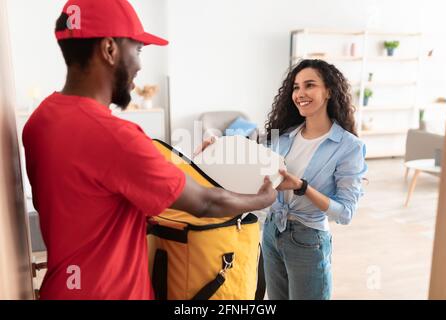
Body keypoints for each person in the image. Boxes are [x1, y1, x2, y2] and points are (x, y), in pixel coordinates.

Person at [22, 0, 276, 300]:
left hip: (61, 288)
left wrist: (193, 164)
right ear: (109, 49)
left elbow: (96, 193)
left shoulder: (41, 120)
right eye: (138, 49)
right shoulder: (115, 136)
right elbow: (206, 204)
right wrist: (262, 198)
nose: (140, 64)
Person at [261, 59, 368, 300]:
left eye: (309, 85)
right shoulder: (285, 137)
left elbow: (345, 213)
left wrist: (302, 187)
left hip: (307, 239)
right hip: (271, 232)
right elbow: (250, 164)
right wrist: (218, 147)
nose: (300, 93)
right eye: (296, 87)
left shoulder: (348, 147)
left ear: (329, 91)